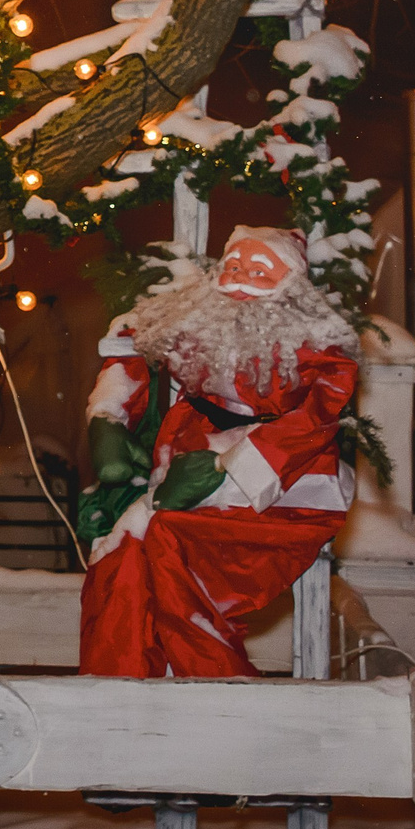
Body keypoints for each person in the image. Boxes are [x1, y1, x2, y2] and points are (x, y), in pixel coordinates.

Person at [76, 225, 357, 678]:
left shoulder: (316, 344)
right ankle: (120, 681)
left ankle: (214, 682)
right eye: (234, 266)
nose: (242, 278)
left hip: (283, 489)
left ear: (289, 283)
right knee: (124, 553)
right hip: (185, 465)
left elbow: (314, 421)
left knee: (172, 545)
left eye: (260, 271)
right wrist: (108, 418)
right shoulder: (198, 316)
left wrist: (228, 470)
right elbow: (129, 337)